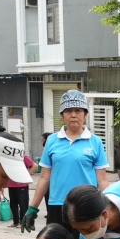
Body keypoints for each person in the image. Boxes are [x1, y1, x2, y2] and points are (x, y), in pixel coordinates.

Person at [23, 90, 109, 231]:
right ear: (62, 115)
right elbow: (44, 177)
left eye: (78, 110)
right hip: (57, 205)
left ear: (85, 114)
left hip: (86, 206)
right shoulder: (52, 140)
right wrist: (33, 207)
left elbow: (102, 179)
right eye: (68, 111)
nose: (73, 115)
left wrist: (110, 206)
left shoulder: (95, 142)